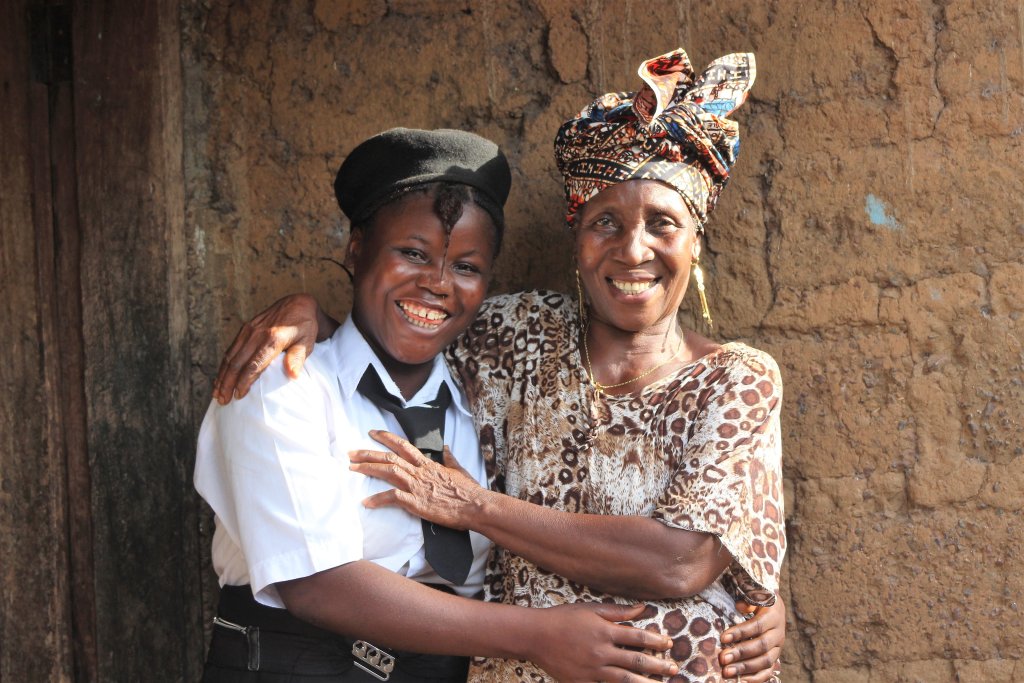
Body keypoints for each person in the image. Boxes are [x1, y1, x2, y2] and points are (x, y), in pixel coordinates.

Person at [214, 48, 787, 682]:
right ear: (577, 238)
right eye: (605, 222)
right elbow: (397, 326)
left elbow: (686, 560)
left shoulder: (736, 379)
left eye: (663, 224)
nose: (633, 250)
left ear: (696, 238)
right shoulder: (515, 340)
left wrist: (476, 506)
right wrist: (305, 316)